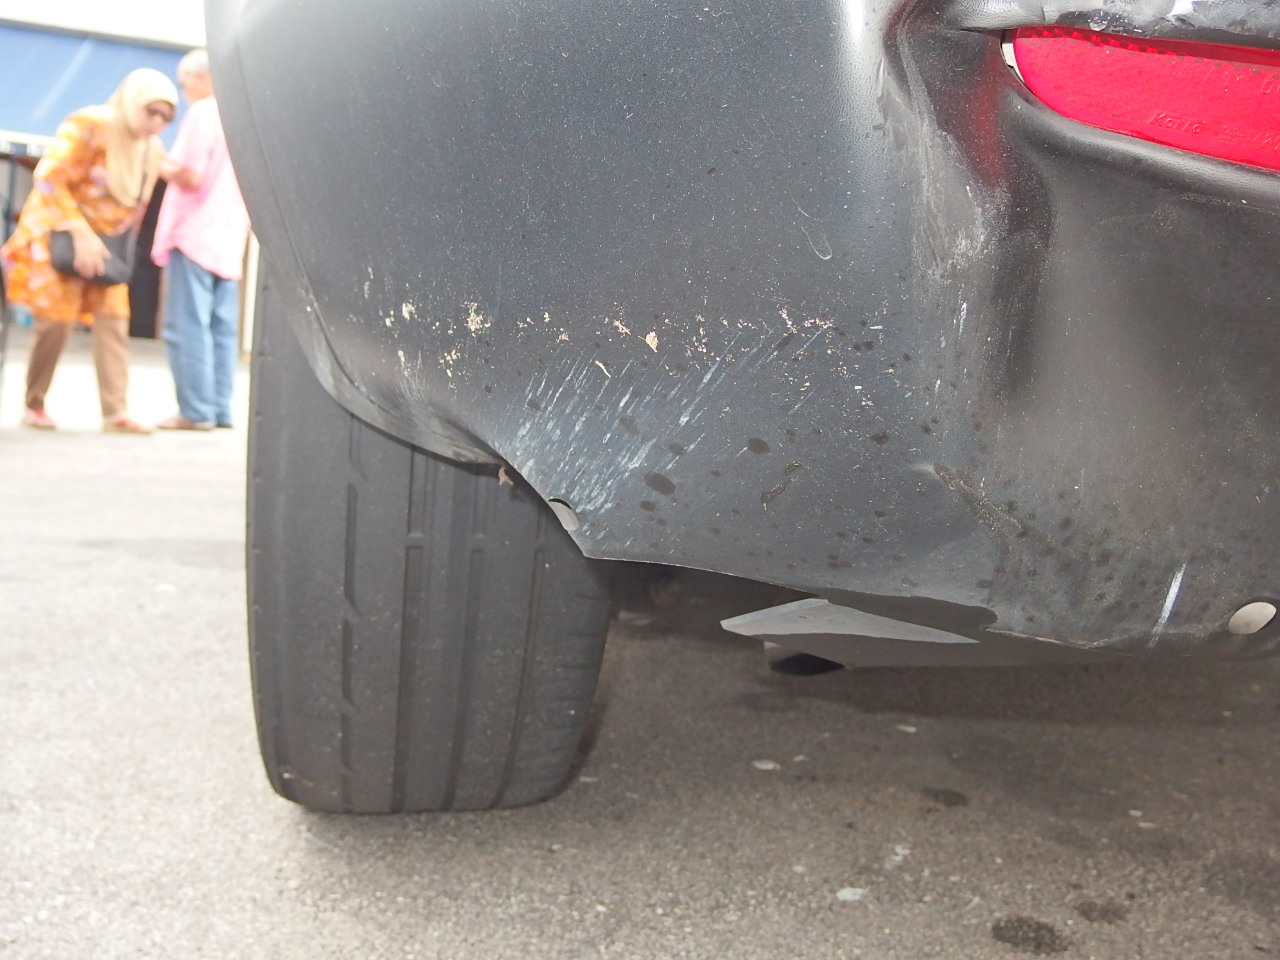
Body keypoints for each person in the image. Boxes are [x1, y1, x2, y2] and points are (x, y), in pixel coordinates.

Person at [1, 69, 178, 434]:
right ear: (132, 102)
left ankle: (116, 412)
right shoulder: (92, 124)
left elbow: (135, 206)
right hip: (63, 234)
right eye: (151, 112)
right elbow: (49, 177)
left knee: (114, 321)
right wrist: (80, 232)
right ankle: (35, 403)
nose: (157, 123)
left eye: (166, 117)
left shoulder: (151, 149)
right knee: (56, 321)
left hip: (107, 246)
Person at [151, 48, 251, 431]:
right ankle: (219, 408)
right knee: (222, 328)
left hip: (195, 232)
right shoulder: (242, 114)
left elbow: (190, 175)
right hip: (229, 236)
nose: (183, 91)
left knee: (188, 324)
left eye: (185, 82)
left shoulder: (204, 111)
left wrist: (158, 161)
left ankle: (194, 410)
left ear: (203, 77)